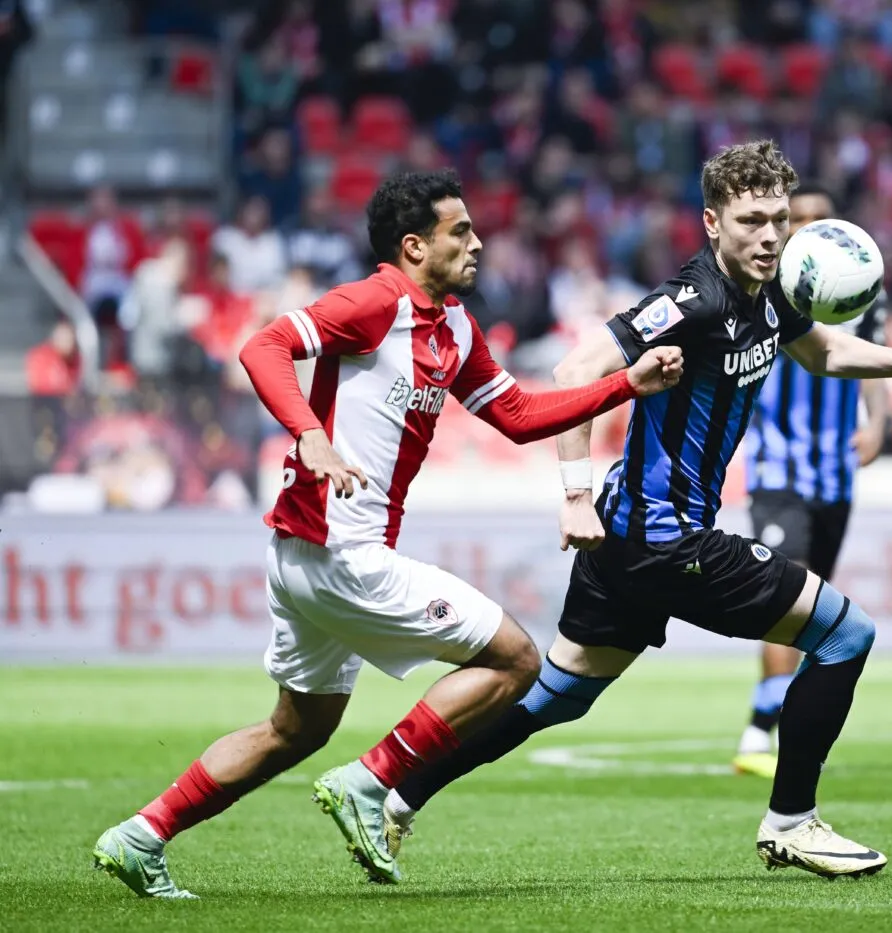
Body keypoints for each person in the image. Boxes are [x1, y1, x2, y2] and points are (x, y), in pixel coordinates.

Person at [380, 140, 892, 879]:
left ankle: (396, 795)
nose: (768, 235)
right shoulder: (693, 299)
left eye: (778, 220)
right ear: (711, 222)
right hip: (668, 536)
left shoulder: (774, 293)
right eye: (751, 220)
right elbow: (574, 370)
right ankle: (793, 820)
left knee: (556, 697)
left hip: (632, 540)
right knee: (846, 633)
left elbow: (821, 352)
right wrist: (573, 493)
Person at [89, 170, 683, 898]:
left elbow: (520, 416)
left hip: (309, 554)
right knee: (516, 660)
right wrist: (309, 434)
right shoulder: (376, 302)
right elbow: (264, 347)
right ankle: (372, 781)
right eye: (459, 231)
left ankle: (142, 833)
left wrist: (626, 384)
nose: (477, 241)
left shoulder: (455, 326)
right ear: (413, 245)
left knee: (294, 730)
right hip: (339, 550)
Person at [734, 184, 889, 779]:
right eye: (797, 218)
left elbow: (862, 355)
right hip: (778, 472)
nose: (805, 227)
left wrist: (876, 422)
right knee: (783, 595)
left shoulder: (852, 289)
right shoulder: (758, 290)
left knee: (816, 603)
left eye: (817, 218)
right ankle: (759, 724)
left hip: (836, 474)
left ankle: (784, 722)